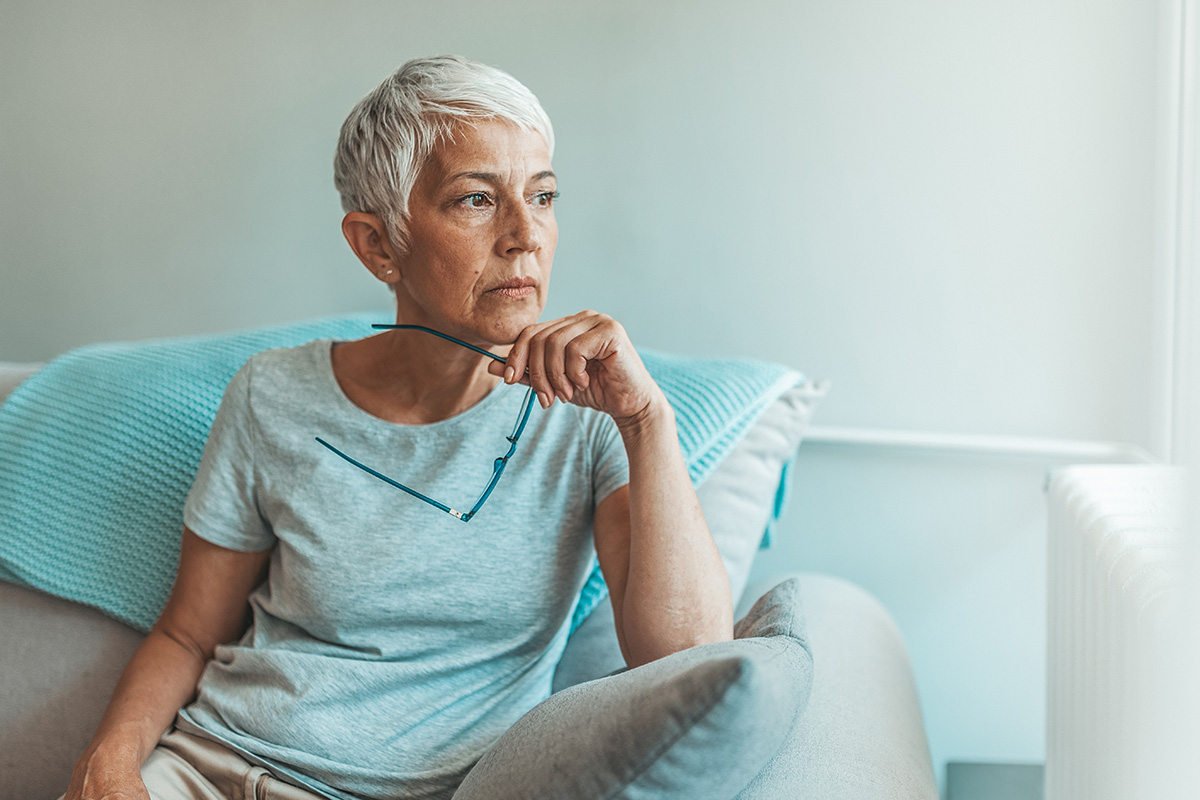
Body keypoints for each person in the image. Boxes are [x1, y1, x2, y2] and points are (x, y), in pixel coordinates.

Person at [62, 55, 733, 800]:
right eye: (476, 200)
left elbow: (690, 663)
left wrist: (647, 419)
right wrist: (109, 767)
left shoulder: (592, 413)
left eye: (542, 197)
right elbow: (188, 634)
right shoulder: (271, 396)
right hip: (209, 766)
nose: (525, 236)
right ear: (378, 245)